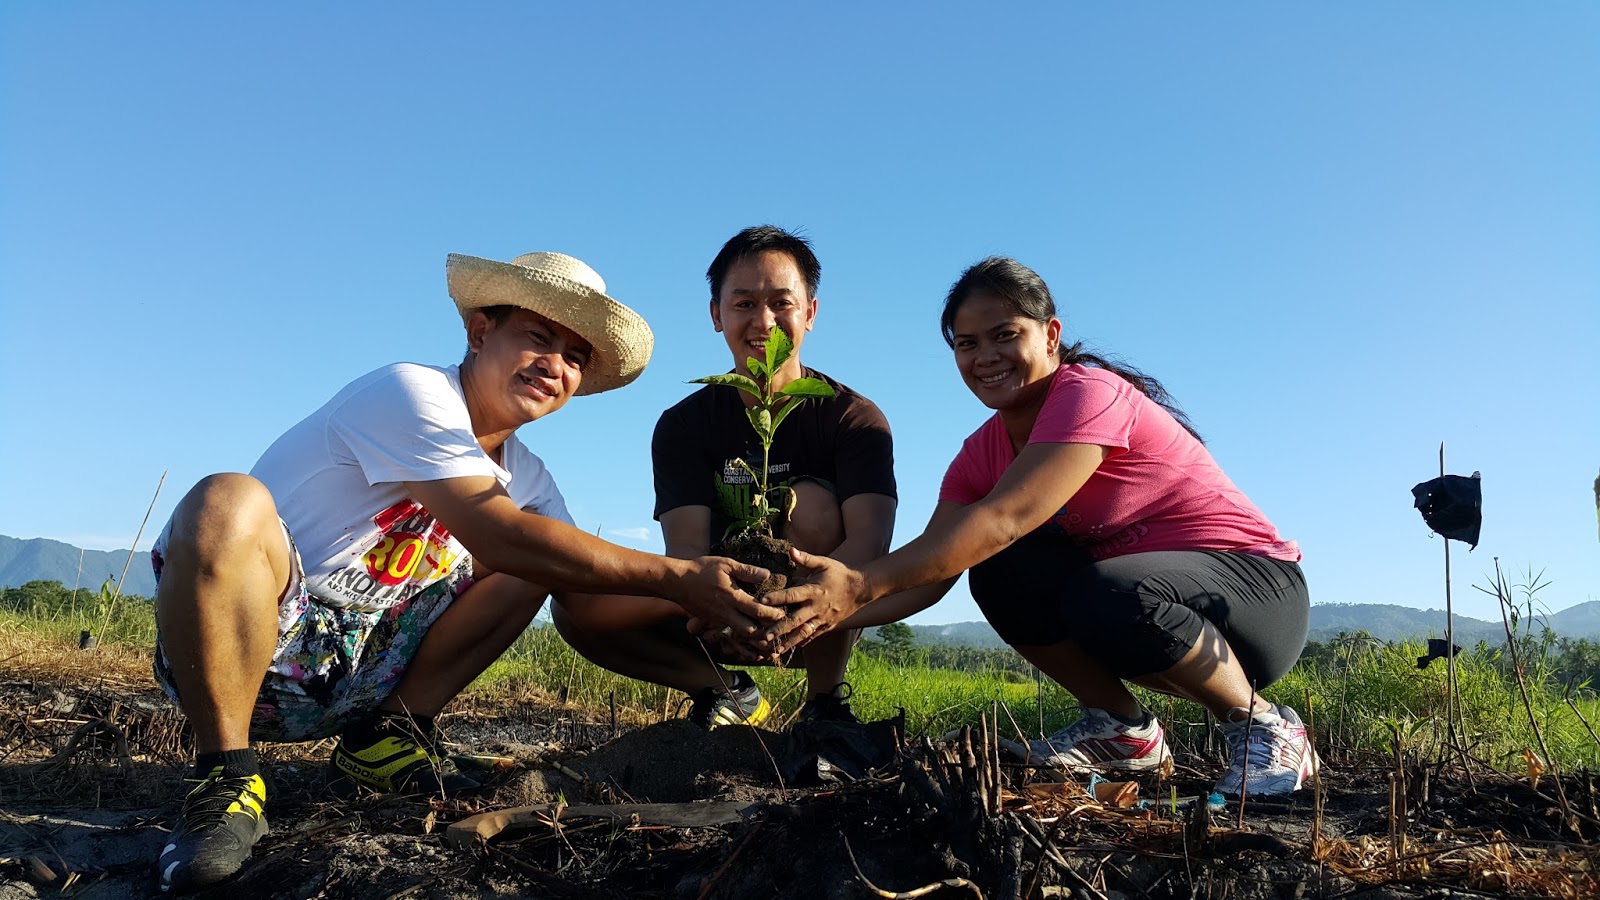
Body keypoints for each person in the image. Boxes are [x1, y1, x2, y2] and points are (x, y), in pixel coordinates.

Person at [148, 250, 782, 893]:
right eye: (537, 337)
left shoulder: (528, 478)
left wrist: (721, 612)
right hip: (248, 650)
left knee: (543, 558)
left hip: (370, 666)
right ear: (480, 332)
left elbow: (586, 593)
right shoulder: (411, 392)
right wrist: (677, 576)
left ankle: (388, 737)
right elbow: (496, 532)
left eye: (574, 356)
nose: (554, 365)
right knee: (225, 499)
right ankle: (224, 778)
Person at [762, 257, 1315, 796]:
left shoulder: (1089, 393)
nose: (986, 357)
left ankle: (1264, 726)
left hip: (1256, 595)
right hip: (1138, 606)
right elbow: (934, 568)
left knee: (1097, 586)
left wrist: (858, 584)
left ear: (1050, 335)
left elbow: (1004, 519)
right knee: (999, 571)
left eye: (1005, 335)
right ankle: (1122, 730)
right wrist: (812, 613)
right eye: (967, 343)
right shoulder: (978, 456)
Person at [554, 226, 897, 729]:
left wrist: (794, 606)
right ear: (717, 315)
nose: (764, 321)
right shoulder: (684, 425)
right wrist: (724, 609)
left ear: (810, 312)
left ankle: (825, 706)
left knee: (811, 504)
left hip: (818, 613)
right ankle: (725, 691)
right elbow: (687, 550)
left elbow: (869, 543)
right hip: (712, 611)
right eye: (744, 304)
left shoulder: (852, 417)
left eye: (781, 303)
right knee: (576, 609)